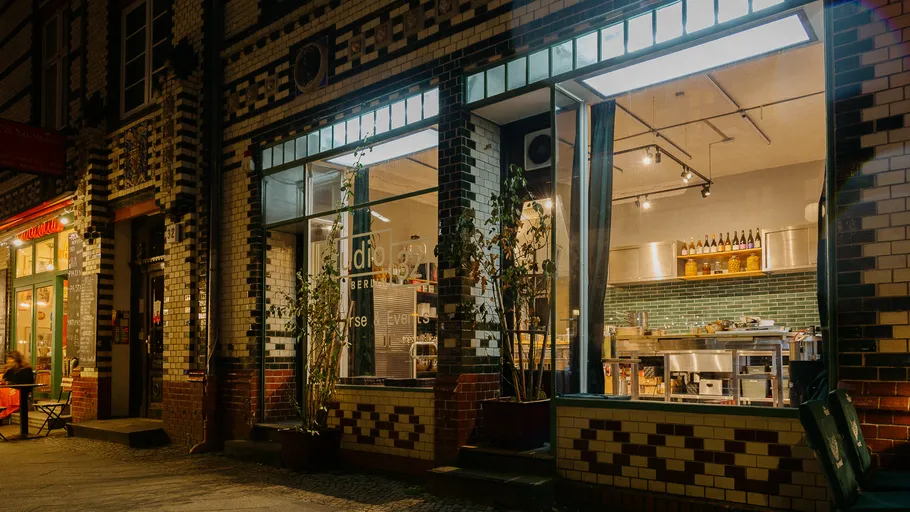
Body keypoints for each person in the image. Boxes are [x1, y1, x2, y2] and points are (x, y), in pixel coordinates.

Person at [0, 352, 34, 421]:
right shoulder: (11, 370)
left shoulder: (26, 369)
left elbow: (25, 383)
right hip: (10, 389)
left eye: (10, 359)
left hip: (21, 390)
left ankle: (3, 412)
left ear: (15, 359)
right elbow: (5, 378)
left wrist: (9, 383)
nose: (8, 361)